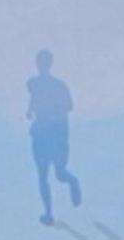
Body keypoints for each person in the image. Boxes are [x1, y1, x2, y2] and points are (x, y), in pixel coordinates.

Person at [26, 50, 83, 221]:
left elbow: (66, 107)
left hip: (49, 135)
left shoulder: (38, 85)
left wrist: (40, 114)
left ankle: (51, 210)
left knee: (50, 174)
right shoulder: (53, 86)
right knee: (54, 173)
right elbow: (66, 107)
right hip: (51, 135)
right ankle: (49, 212)